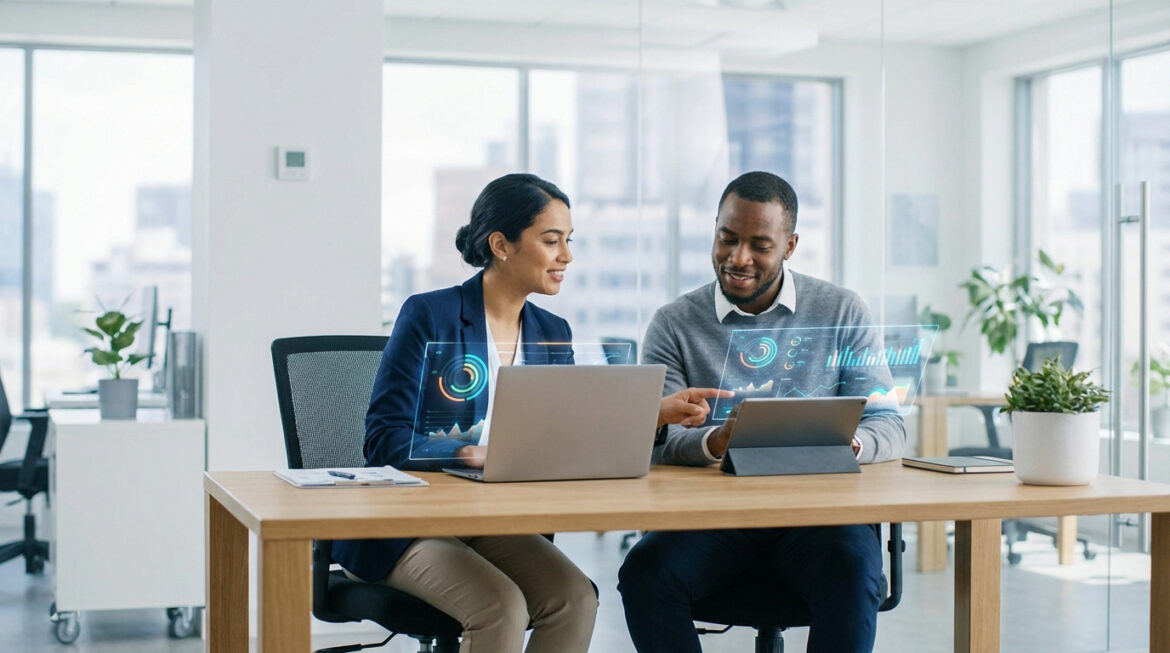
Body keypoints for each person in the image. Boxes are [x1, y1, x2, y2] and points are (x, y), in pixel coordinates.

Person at [332, 173, 725, 653]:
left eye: (569, 240)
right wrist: (468, 451)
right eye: (551, 240)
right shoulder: (429, 315)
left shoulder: (551, 332)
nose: (567, 256)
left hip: (493, 522)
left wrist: (654, 414)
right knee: (501, 606)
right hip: (409, 527)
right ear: (501, 244)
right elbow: (383, 441)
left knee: (576, 598)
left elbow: (570, 438)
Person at [617, 171, 906, 653]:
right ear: (714, 228)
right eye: (727, 238)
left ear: (790, 246)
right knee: (646, 574)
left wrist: (849, 443)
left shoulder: (841, 311)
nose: (738, 258)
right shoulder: (674, 323)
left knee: (855, 567)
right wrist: (715, 442)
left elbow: (889, 424)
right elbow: (659, 440)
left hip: (821, 521)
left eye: (760, 245)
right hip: (710, 523)